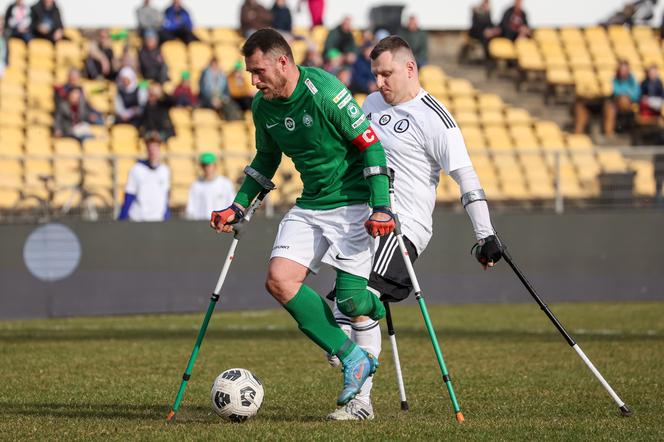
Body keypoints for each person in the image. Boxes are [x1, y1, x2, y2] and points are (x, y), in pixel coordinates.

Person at [209, 28, 396, 410]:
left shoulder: (324, 90)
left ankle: (378, 304)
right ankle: (353, 357)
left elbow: (371, 146)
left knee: (352, 301)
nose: (253, 81)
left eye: (259, 71)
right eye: (250, 73)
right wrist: (237, 206)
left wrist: (381, 206)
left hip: (354, 203)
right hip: (311, 203)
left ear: (283, 62)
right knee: (278, 280)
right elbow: (265, 159)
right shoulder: (262, 106)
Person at [326, 35, 501, 421]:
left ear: (410, 68)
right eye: (375, 75)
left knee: (357, 300)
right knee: (342, 305)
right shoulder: (370, 104)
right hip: (363, 220)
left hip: (404, 227)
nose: (379, 82)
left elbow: (466, 177)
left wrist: (484, 235)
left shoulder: (435, 118)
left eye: (387, 73)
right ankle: (352, 366)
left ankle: (360, 404)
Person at [118, 132, 171, 221]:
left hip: (158, 220)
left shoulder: (165, 171)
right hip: (139, 220)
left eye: (155, 148)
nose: (153, 152)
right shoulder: (137, 169)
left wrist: (166, 217)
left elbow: (165, 197)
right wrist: (122, 218)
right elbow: (129, 195)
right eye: (151, 149)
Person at [186, 152, 235, 220]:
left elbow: (231, 204)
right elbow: (191, 208)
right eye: (204, 165)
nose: (207, 168)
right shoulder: (196, 185)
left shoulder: (225, 184)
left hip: (220, 224)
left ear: (215, 166)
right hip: (201, 224)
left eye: (209, 165)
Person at [605, 60, 641, 137]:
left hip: (631, 103)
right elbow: (615, 92)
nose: (623, 72)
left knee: (624, 99)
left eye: (625, 69)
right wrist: (625, 93)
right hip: (617, 103)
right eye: (621, 69)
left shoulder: (633, 79)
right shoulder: (615, 79)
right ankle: (609, 133)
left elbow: (635, 94)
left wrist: (626, 94)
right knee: (610, 108)